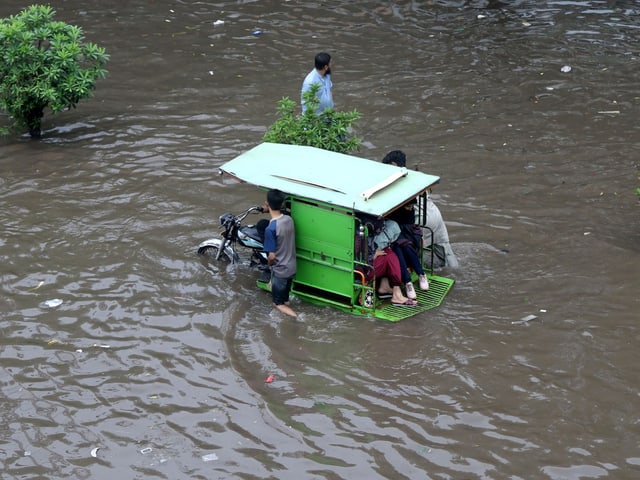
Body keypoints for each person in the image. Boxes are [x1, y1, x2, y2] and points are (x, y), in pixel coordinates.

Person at [382, 150, 458, 269]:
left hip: (421, 219)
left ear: (393, 165)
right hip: (434, 214)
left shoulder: (394, 181)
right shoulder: (416, 176)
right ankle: (455, 271)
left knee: (410, 244)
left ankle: (415, 271)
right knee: (445, 249)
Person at [263, 189, 297, 317]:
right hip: (292, 267)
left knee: (278, 304)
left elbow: (272, 256)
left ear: (267, 204)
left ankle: (297, 318)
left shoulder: (270, 228)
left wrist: (269, 264)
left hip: (281, 270)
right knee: (285, 300)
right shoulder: (289, 219)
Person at [387, 199, 430, 297]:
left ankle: (421, 274)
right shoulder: (393, 216)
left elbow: (410, 231)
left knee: (407, 247)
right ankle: (407, 282)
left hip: (406, 239)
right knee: (398, 249)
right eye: (408, 207)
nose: (410, 209)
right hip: (394, 240)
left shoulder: (410, 214)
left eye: (411, 207)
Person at [371, 219, 417, 306]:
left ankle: (386, 287)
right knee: (390, 256)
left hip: (367, 261)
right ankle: (397, 293)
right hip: (363, 266)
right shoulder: (362, 233)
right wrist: (372, 254)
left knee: (388, 252)